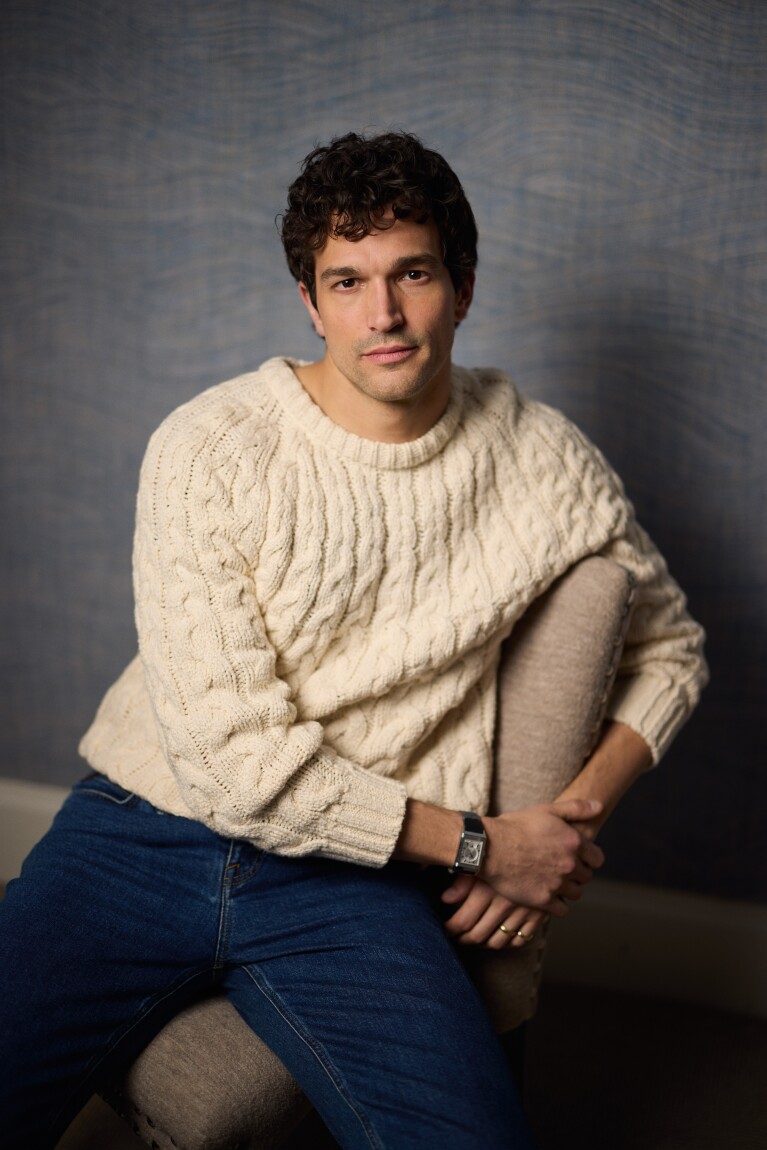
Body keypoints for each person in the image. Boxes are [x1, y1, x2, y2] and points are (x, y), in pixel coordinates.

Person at [0, 132, 707, 1149]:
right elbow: (235, 768)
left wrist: (557, 820)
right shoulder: (211, 446)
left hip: (351, 881)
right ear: (310, 299)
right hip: (143, 833)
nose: (380, 315)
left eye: (410, 273)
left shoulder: (539, 454)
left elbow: (670, 649)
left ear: (460, 286)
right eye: (346, 280)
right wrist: (480, 843)